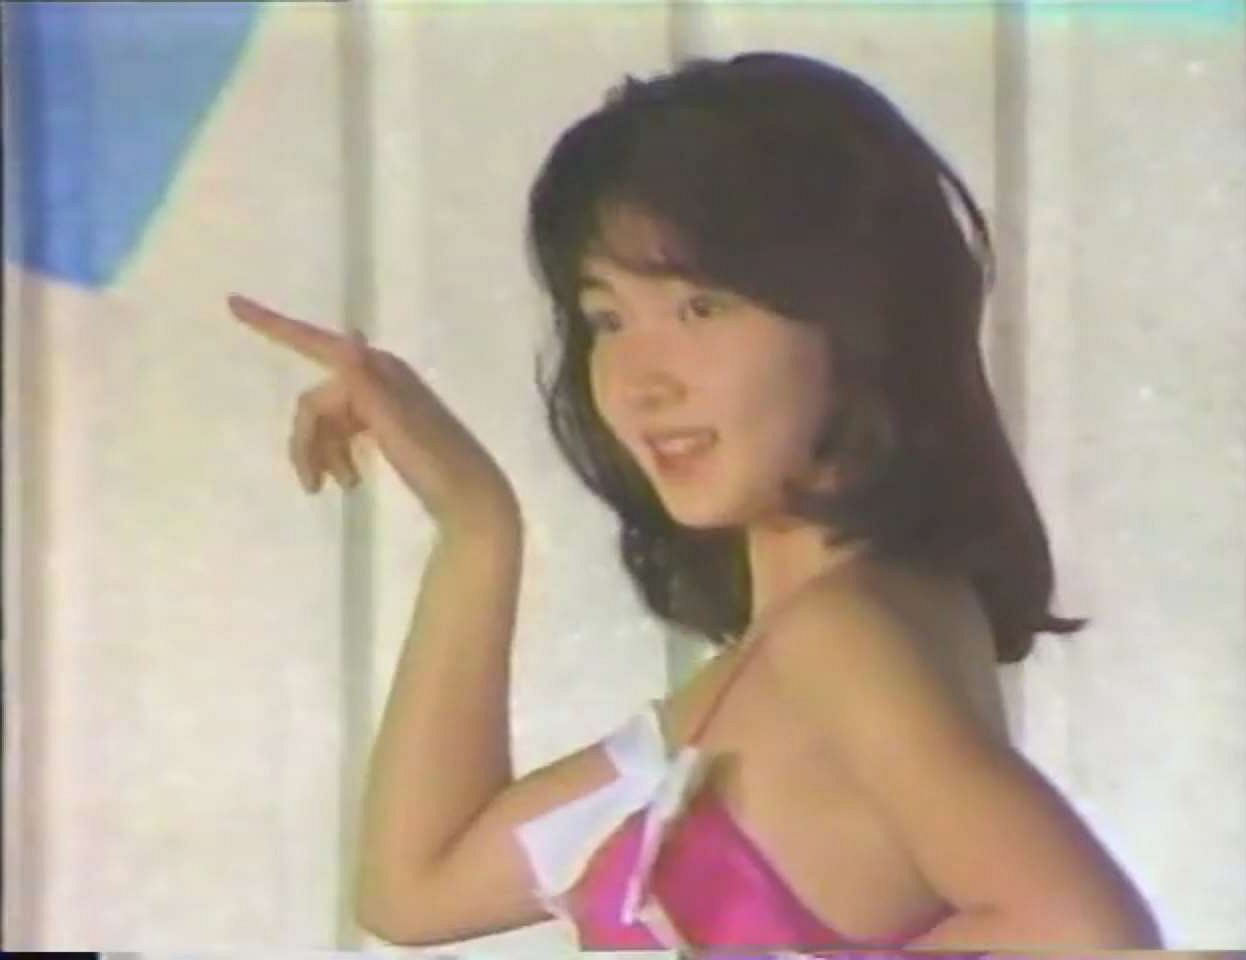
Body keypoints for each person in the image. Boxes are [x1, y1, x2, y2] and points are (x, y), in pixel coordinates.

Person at [230, 51, 1163, 954]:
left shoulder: (840, 637)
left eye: (700, 309)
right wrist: (476, 526)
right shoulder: (797, 647)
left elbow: (1088, 937)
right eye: (606, 319)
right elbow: (414, 890)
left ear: (856, 316)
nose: (641, 381)